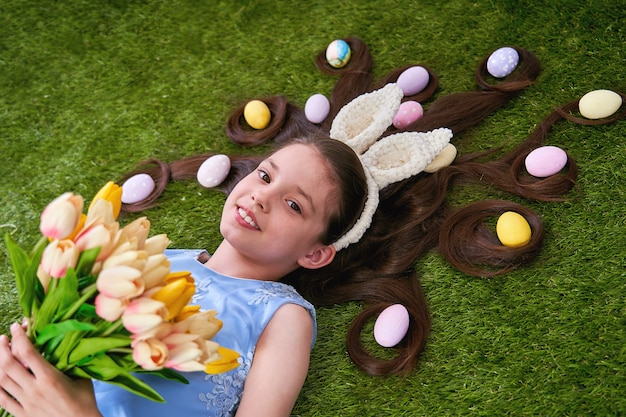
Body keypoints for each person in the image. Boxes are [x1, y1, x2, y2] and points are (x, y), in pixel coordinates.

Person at [1, 37, 624, 415]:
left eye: (296, 206)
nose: (263, 196)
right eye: (267, 175)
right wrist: (45, 337)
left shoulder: (283, 315)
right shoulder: (160, 255)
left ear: (320, 253)